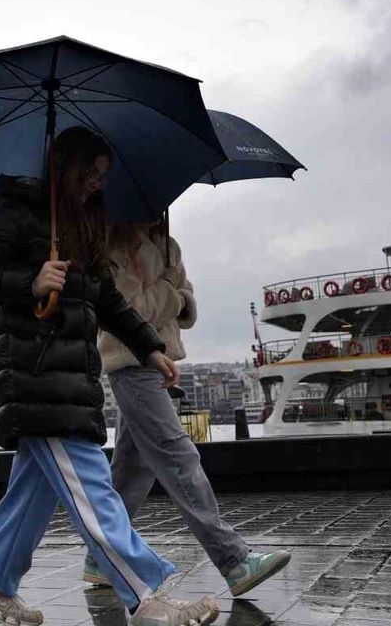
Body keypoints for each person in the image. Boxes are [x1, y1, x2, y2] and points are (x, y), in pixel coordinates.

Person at [0, 128, 219, 626]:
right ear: (65, 168)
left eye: (103, 176)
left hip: (71, 377)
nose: (97, 184)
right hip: (37, 379)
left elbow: (105, 297)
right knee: (92, 488)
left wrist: (150, 346)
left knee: (34, 491)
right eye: (91, 174)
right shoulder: (19, 211)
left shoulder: (82, 223)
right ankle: (145, 596)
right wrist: (31, 282)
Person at [97, 221, 290, 598]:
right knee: (177, 455)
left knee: (132, 467)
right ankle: (233, 560)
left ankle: (100, 554)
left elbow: (189, 306)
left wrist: (169, 295)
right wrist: (171, 290)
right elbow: (130, 309)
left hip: (160, 361)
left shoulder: (168, 245)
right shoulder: (115, 244)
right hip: (130, 361)